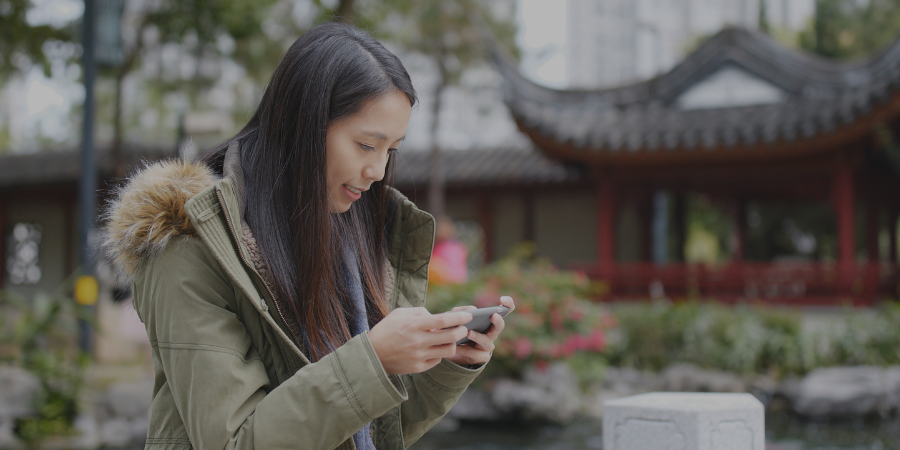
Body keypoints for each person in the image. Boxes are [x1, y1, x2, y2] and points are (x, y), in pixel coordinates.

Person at [102, 22, 514, 450]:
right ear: (304, 126)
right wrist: (371, 361)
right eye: (366, 145)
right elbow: (234, 442)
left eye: (391, 150)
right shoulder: (189, 246)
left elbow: (374, 433)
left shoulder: (351, 237)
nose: (377, 172)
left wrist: (449, 364)